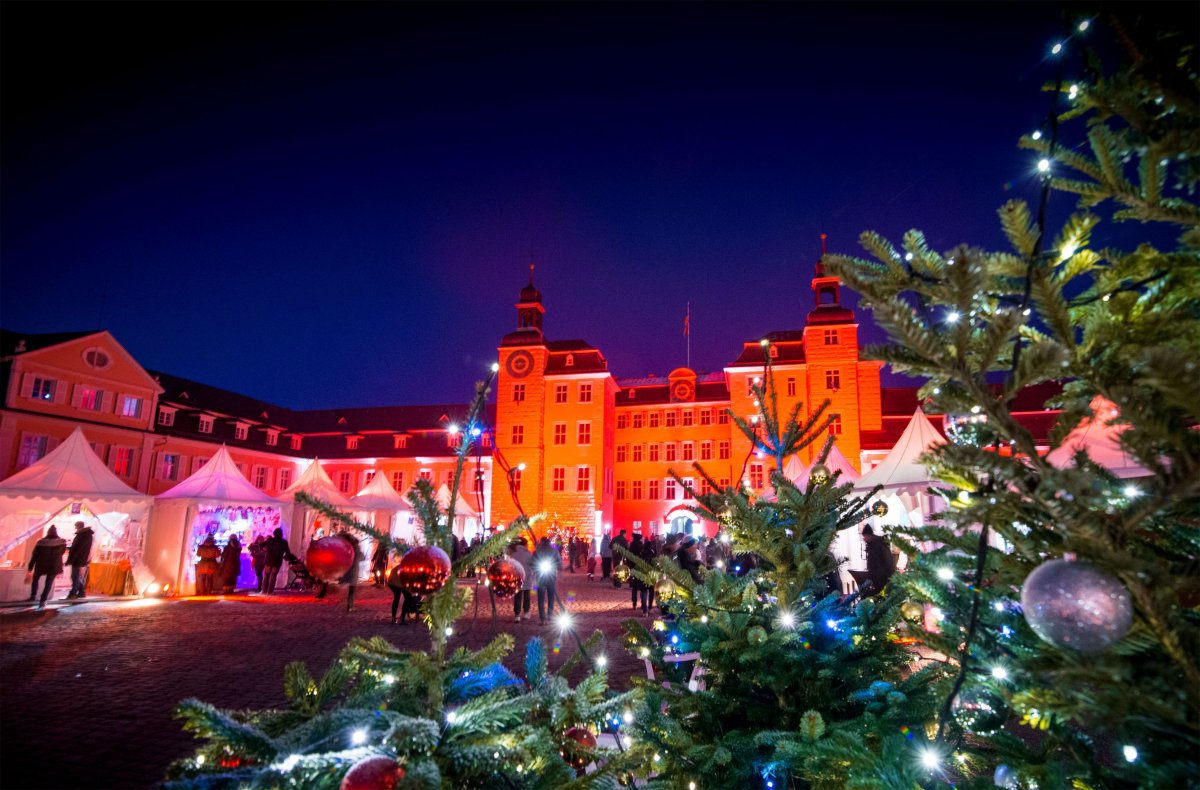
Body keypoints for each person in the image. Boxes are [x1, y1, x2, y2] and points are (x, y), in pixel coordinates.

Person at [27, 525, 67, 609]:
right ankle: (43, 600)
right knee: (48, 583)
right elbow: (62, 553)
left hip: (41, 564)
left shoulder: (41, 542)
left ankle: (33, 596)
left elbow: (35, 555)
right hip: (54, 566)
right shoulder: (62, 542)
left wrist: (30, 567)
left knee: (35, 579)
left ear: (48, 532)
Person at [533, 536, 561, 624]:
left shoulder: (537, 551)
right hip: (551, 576)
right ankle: (550, 615)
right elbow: (559, 564)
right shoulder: (554, 551)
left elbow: (532, 563)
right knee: (551, 596)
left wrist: (535, 570)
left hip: (540, 577)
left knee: (541, 597)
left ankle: (542, 618)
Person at [862, 526, 895, 596]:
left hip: (881, 578)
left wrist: (873, 576)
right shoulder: (878, 543)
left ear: (869, 535)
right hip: (883, 576)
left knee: (881, 595)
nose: (864, 539)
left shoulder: (876, 545)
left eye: (865, 536)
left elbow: (876, 563)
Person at [65, 520, 94, 599]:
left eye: (76, 526)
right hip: (80, 558)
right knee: (76, 576)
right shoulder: (85, 535)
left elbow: (77, 548)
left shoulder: (82, 535)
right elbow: (77, 547)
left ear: (78, 526)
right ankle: (81, 592)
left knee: (75, 576)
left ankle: (73, 593)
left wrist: (71, 559)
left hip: (78, 559)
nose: (75, 528)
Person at [510, 537, 535, 622]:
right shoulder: (528, 554)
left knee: (517, 596)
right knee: (527, 596)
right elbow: (533, 565)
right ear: (525, 544)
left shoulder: (513, 553)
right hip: (527, 577)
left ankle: (517, 615)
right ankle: (526, 612)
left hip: (517, 577)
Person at [260, 528, 291, 594]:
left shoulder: (270, 540)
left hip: (268, 560)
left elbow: (261, 545)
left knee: (266, 576)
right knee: (273, 576)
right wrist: (286, 557)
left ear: (274, 533)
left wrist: (264, 550)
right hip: (277, 561)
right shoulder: (284, 542)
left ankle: (264, 591)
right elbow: (287, 552)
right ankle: (270, 591)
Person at [636, 532, 659, 614]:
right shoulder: (653, 555)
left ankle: (644, 610)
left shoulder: (641, 554)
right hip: (651, 576)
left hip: (642, 576)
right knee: (651, 592)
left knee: (643, 592)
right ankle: (649, 607)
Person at [628, 533, 645, 610]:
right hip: (641, 568)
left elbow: (629, 557)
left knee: (634, 587)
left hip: (633, 568)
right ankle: (642, 603)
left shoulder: (631, 546)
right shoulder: (641, 546)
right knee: (642, 587)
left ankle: (634, 603)